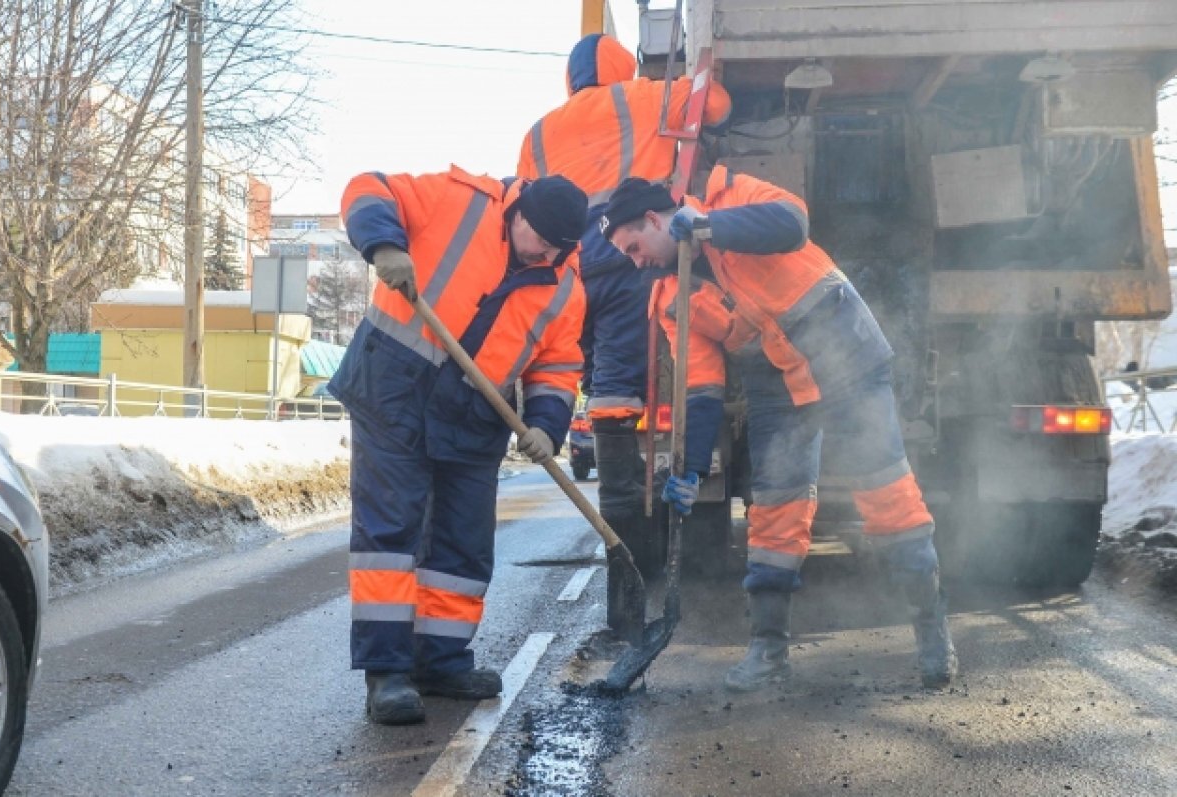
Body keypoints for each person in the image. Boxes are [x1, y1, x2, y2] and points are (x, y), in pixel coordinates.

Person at [599, 173, 958, 692]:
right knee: (774, 513)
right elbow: (700, 391)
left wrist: (708, 226)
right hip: (778, 385)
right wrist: (692, 470)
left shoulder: (732, 194)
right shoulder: (671, 298)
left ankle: (932, 633)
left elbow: (791, 225)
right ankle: (768, 650)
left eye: (633, 246)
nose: (635, 261)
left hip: (846, 357)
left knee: (888, 497)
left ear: (655, 220)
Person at [330, 166, 588, 725]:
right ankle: (388, 674)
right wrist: (383, 244)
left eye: (552, 246)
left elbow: (559, 363)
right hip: (394, 390)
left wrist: (546, 422)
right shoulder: (461, 201)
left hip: (473, 416)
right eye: (533, 235)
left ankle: (441, 661)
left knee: (463, 547)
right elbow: (368, 187)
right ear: (517, 210)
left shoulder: (566, 285)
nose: (538, 250)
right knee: (389, 534)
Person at [517, 33, 731, 598]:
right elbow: (719, 104)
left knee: (580, 373)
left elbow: (526, 200)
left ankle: (625, 583)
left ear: (569, 79)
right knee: (619, 392)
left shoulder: (538, 130)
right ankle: (636, 574)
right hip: (625, 262)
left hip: (566, 267)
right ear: (622, 68)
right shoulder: (648, 96)